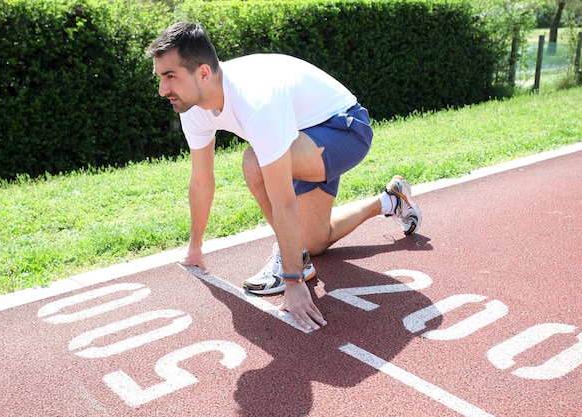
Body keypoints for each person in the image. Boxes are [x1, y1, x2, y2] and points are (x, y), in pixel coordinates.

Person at [146, 22, 421, 331]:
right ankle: (389, 199)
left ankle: (290, 263)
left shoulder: (256, 100)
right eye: (159, 78)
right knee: (312, 242)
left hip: (344, 129)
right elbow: (200, 181)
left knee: (255, 163)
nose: (162, 90)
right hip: (301, 137)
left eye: (170, 77)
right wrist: (195, 247)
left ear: (204, 74)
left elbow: (283, 200)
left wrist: (294, 281)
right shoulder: (192, 107)